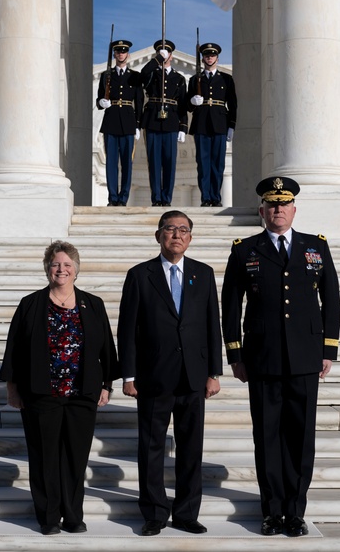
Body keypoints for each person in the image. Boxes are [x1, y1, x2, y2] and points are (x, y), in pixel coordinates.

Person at [220, 177, 340, 538]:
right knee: (268, 437)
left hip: (305, 358)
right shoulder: (245, 250)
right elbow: (230, 306)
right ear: (262, 211)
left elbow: (330, 301)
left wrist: (328, 350)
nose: (278, 210)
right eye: (272, 205)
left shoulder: (315, 247)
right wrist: (235, 355)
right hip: (263, 358)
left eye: (283, 204)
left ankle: (295, 511)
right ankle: (272, 511)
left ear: (293, 209)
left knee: (301, 437)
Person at [0, 240, 119, 536]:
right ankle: (49, 518)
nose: (61, 270)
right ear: (47, 269)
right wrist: (13, 390)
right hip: (41, 393)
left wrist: (106, 386)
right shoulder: (30, 304)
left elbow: (106, 348)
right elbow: (13, 350)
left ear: (76, 269)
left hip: (83, 394)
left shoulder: (93, 304)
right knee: (44, 457)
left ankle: (74, 515)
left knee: (76, 458)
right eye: (55, 265)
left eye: (67, 265)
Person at [117, 210, 223, 536]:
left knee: (192, 449)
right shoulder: (139, 275)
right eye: (170, 229)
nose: (176, 235)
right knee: (151, 448)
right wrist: (129, 375)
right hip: (153, 377)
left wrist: (214, 372)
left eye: (183, 230)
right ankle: (154, 513)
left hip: (193, 376)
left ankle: (187, 513)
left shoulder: (203, 274)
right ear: (158, 235)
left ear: (190, 238)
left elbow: (211, 325)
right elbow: (127, 329)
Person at [187, 42, 237, 207]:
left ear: (217, 57)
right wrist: (193, 101)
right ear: (203, 58)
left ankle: (216, 197)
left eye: (212, 55)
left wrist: (232, 125)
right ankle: (205, 197)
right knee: (203, 163)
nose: (210, 58)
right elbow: (187, 105)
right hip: (201, 123)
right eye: (207, 55)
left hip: (220, 123)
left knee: (218, 163)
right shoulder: (195, 79)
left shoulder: (226, 79)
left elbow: (233, 104)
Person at [139, 39, 188, 207]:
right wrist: (157, 60)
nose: (165, 56)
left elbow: (182, 104)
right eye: (161, 53)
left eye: (166, 53)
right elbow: (142, 75)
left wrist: (183, 127)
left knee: (169, 162)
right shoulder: (152, 73)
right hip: (152, 120)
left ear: (172, 56)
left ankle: (166, 198)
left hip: (172, 122)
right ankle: (156, 198)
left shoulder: (179, 78)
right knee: (153, 162)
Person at [96, 39, 143, 206]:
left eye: (123, 52)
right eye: (118, 52)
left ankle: (123, 198)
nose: (121, 54)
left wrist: (138, 125)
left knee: (126, 164)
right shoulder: (106, 75)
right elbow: (99, 99)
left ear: (128, 55)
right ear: (115, 54)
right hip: (111, 122)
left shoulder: (135, 76)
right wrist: (102, 102)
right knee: (111, 164)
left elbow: (139, 101)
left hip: (129, 122)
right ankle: (113, 197)